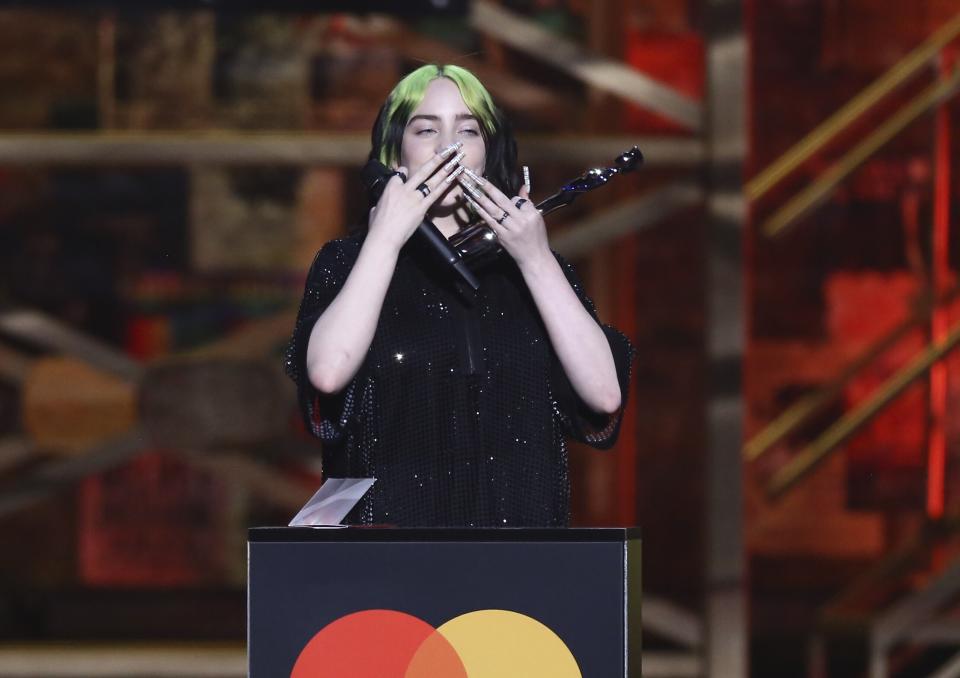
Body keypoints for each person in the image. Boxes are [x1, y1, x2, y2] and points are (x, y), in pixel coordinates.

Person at [286, 64, 633, 527]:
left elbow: (604, 396)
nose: (447, 146)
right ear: (393, 158)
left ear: (488, 153)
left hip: (519, 566)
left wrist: (536, 260)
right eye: (426, 128)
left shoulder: (536, 272)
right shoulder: (348, 263)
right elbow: (327, 374)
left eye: (468, 130)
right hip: (386, 568)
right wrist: (384, 241)